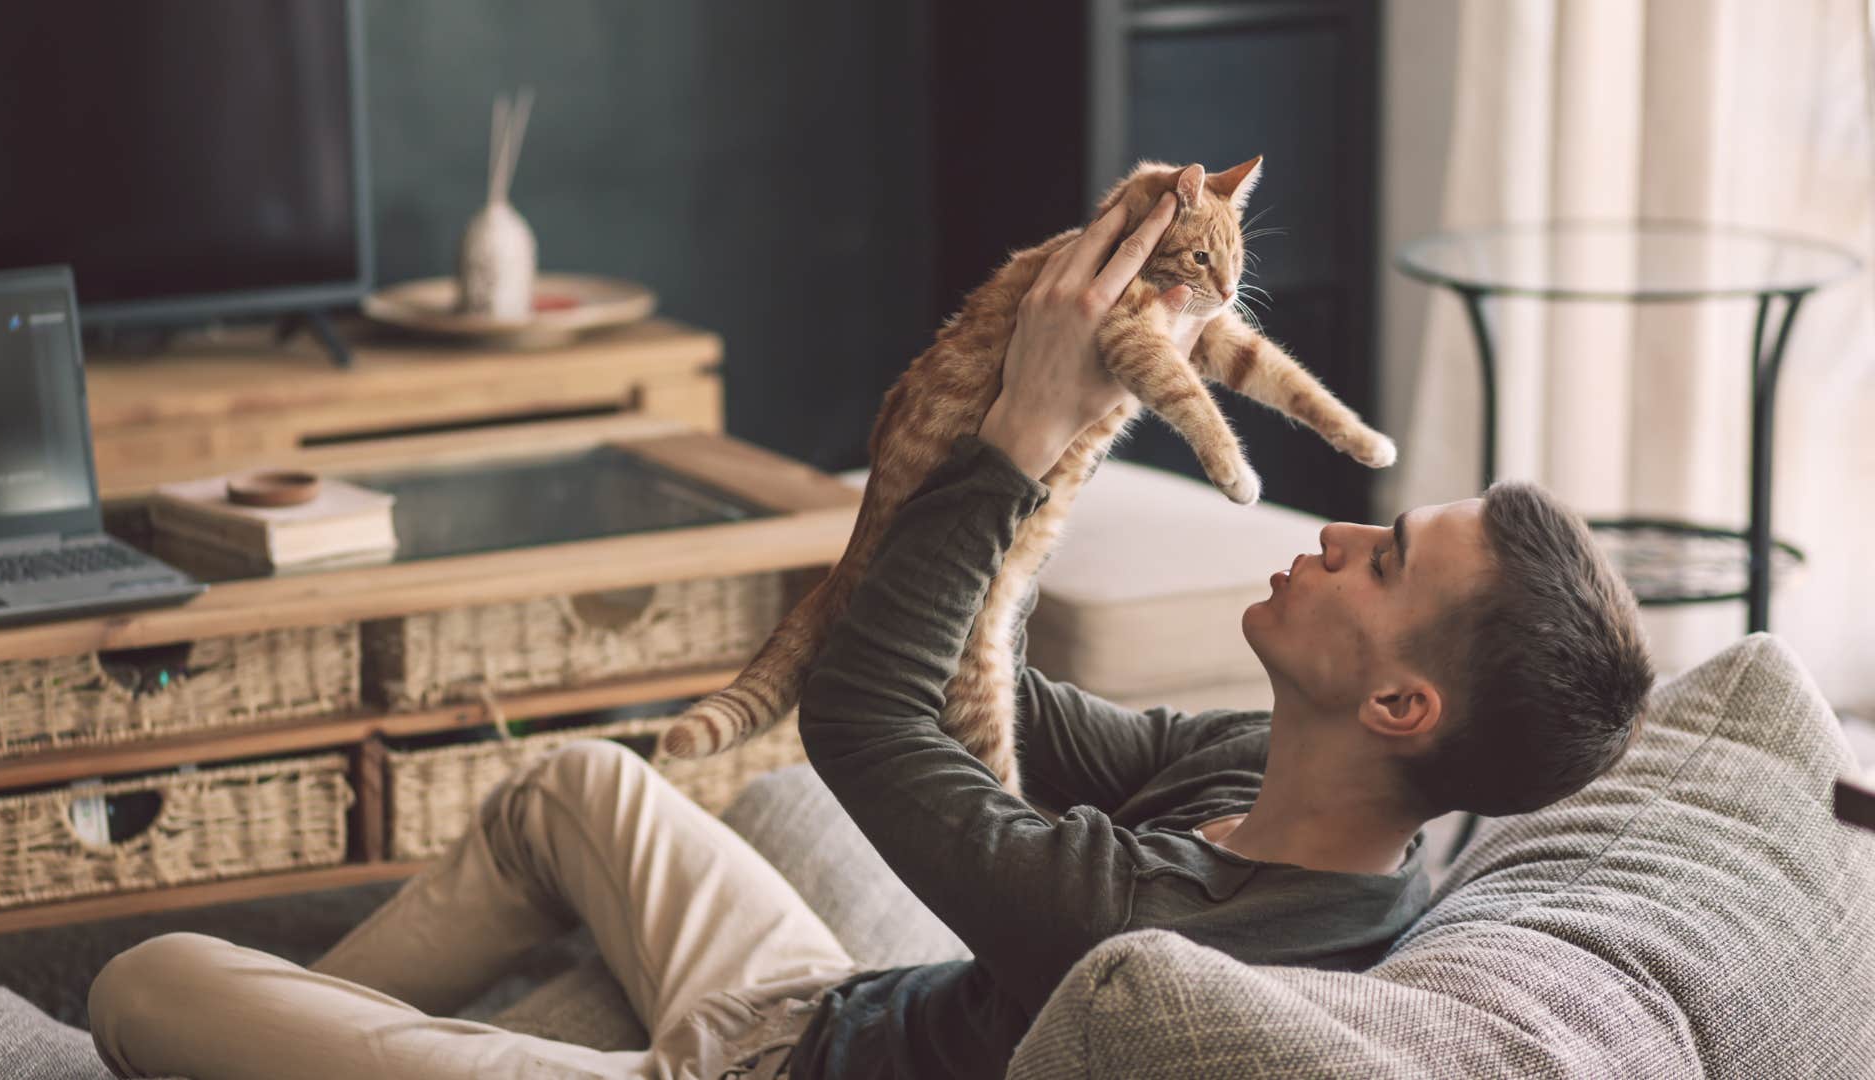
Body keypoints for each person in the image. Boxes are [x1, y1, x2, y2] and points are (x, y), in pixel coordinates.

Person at [87, 194, 1654, 1080]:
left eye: (1376, 558)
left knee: (148, 982)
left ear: (1397, 699)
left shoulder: (1176, 937)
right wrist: (1009, 472)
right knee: (570, 786)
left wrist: (1023, 444)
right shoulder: (1279, 771)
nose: (1327, 533)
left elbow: (860, 721)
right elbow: (990, 698)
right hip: (821, 1009)